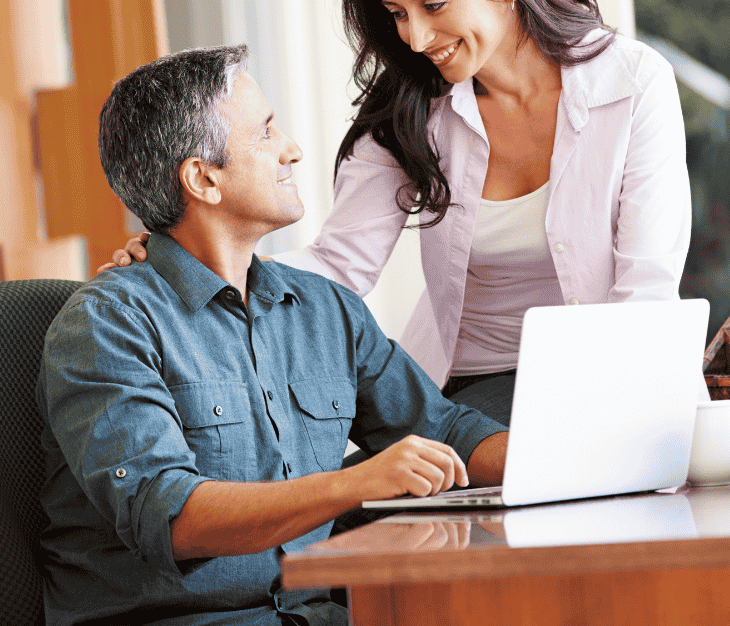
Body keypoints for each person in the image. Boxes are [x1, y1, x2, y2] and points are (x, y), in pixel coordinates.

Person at [105, 0, 692, 427]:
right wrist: (184, 267)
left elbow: (647, 285)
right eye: (396, 14)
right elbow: (339, 266)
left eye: (433, 6)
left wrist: (618, 415)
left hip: (613, 377)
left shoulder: (634, 85)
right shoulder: (413, 108)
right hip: (476, 387)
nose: (414, 37)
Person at [38, 45, 508, 626]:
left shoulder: (323, 308)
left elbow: (444, 429)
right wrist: (354, 482)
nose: (292, 149)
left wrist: (572, 462)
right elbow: (173, 518)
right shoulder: (107, 324)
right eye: (265, 133)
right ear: (203, 178)